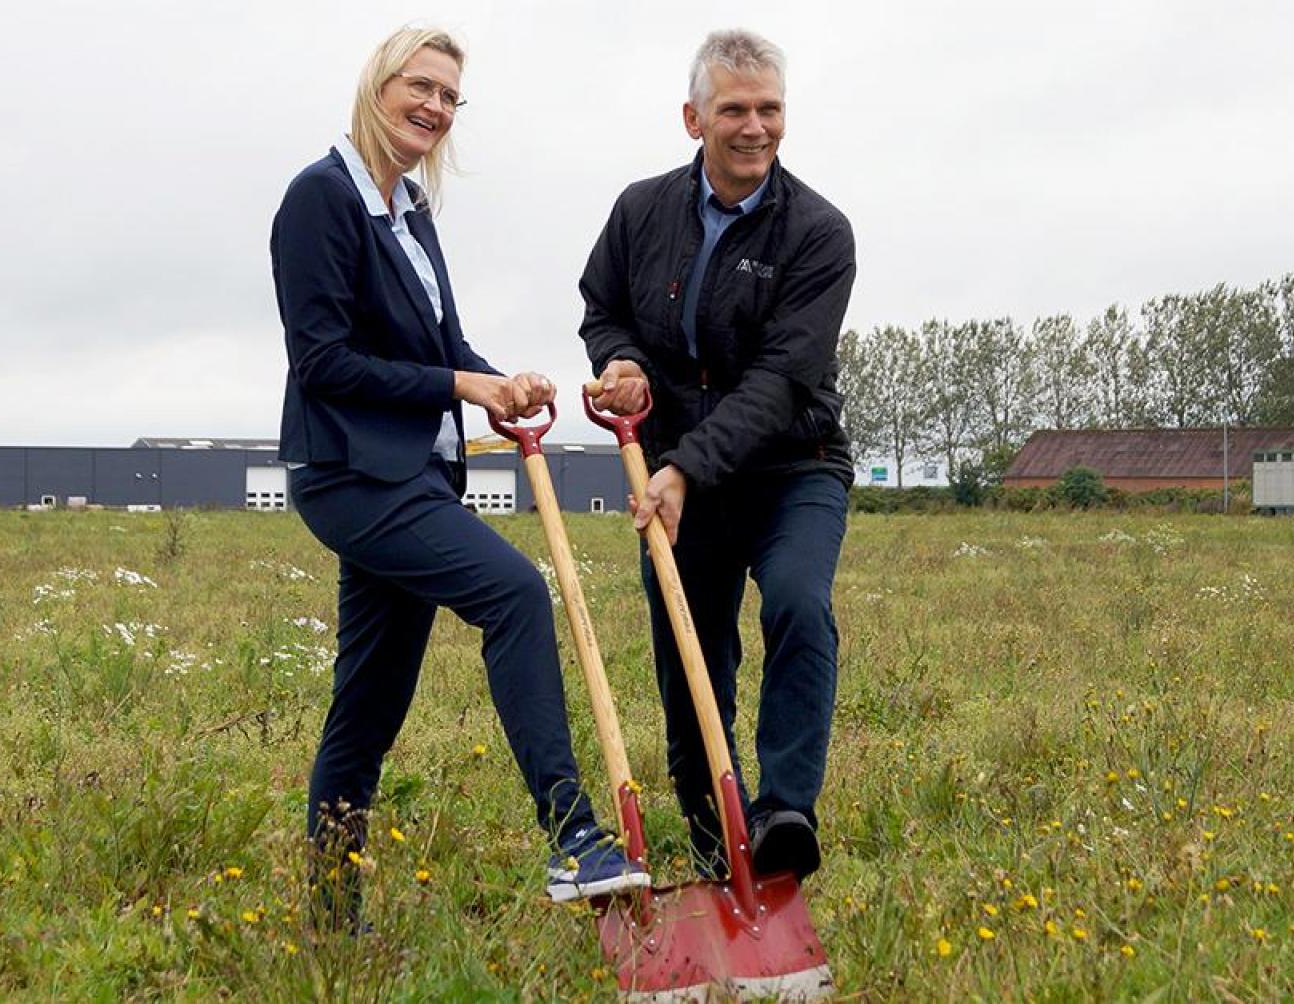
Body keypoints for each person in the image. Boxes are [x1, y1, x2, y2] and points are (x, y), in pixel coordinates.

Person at [271, 26, 648, 919]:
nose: (435, 108)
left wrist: (496, 383)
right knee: (516, 592)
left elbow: (440, 348)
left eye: (450, 97)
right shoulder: (320, 200)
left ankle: (330, 919)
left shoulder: (410, 213)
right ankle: (574, 838)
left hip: (419, 472)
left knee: (369, 701)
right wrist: (459, 381)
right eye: (422, 87)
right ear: (378, 86)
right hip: (351, 475)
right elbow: (323, 362)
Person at [579, 28, 856, 881]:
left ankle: (782, 815)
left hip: (790, 467)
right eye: (734, 109)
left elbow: (780, 381)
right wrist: (619, 364)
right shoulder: (639, 209)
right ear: (693, 116)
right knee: (690, 650)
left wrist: (686, 465)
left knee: (799, 609)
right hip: (679, 480)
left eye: (769, 109)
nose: (754, 127)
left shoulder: (818, 233)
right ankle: (710, 835)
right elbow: (603, 310)